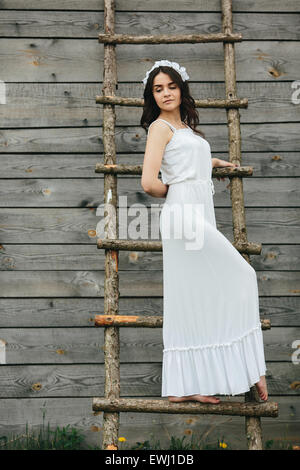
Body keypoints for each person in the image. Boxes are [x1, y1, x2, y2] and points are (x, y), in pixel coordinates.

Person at [140, 60, 268, 404]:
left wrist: (212, 164)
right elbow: (150, 183)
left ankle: (185, 386)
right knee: (243, 275)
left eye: (171, 86)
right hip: (184, 216)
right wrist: (183, 191)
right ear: (152, 95)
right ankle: (251, 369)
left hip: (199, 212)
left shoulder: (183, 128)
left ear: (181, 89)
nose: (166, 93)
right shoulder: (159, 128)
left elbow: (184, 161)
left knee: (194, 295)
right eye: (158, 89)